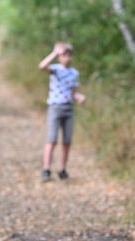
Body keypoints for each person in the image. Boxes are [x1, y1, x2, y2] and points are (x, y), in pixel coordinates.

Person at [38, 42, 86, 182]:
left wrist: (79, 97)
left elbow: (73, 91)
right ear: (60, 57)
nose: (67, 58)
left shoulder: (74, 73)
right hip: (55, 107)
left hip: (69, 108)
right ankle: (46, 169)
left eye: (69, 55)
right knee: (52, 140)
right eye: (64, 55)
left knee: (67, 141)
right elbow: (41, 66)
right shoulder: (55, 69)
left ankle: (63, 169)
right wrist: (54, 53)